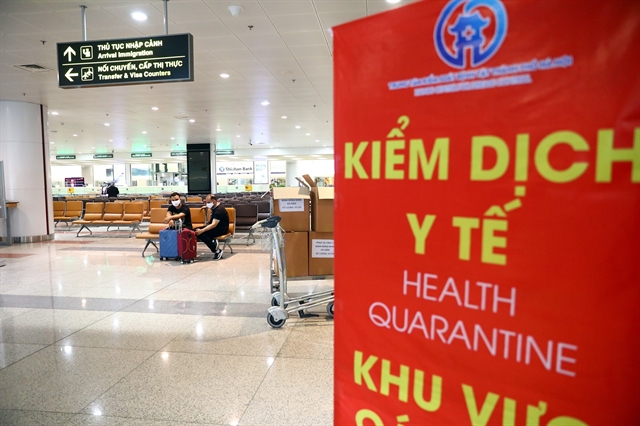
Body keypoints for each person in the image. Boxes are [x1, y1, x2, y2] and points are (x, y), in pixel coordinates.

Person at [194, 194, 229, 260]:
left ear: (214, 201)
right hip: (216, 227)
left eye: (209, 202)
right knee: (195, 230)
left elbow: (214, 224)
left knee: (202, 234)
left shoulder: (219, 210)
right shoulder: (214, 207)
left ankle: (217, 250)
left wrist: (202, 230)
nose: (207, 204)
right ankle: (214, 244)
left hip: (221, 229)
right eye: (206, 202)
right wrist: (207, 207)